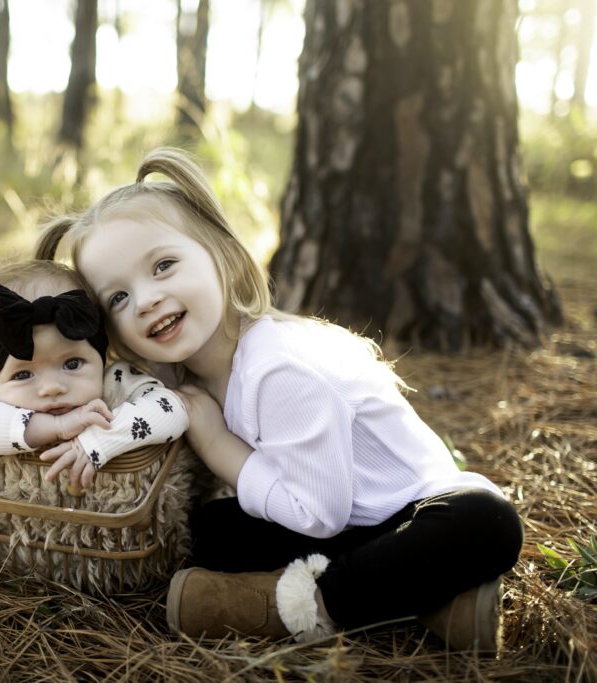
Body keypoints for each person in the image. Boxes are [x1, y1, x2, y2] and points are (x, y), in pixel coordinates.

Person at [33, 148, 523, 651]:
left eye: (163, 265)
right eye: (118, 298)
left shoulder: (278, 369)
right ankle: (438, 605)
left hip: (412, 512)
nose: (146, 299)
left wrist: (218, 444)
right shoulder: (188, 371)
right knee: (213, 532)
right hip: (347, 524)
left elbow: (320, 515)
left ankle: (293, 606)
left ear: (219, 254)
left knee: (489, 519)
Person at [0, 259, 188, 490]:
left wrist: (100, 440)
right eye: (22, 375)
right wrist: (57, 426)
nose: (52, 387)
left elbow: (173, 410)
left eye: (72, 364)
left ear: (101, 357)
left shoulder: (114, 381)